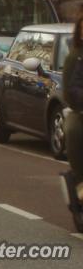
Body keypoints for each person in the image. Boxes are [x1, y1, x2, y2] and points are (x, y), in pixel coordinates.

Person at [62, 15, 83, 229]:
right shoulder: (75, 57)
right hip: (81, 111)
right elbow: (70, 91)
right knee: (74, 129)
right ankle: (80, 179)